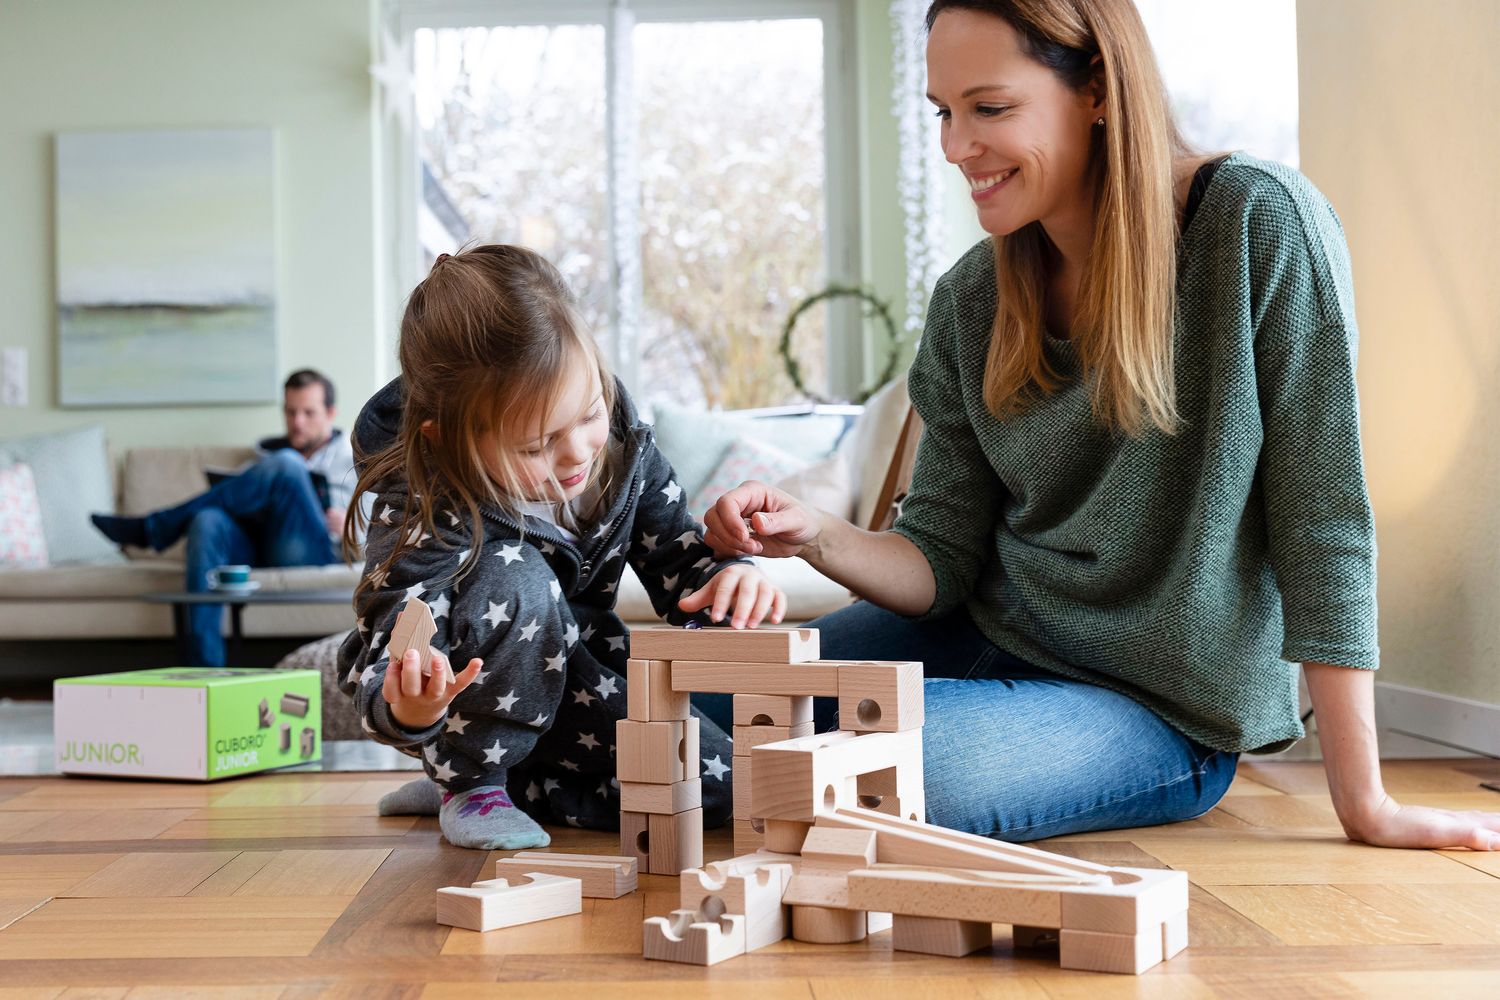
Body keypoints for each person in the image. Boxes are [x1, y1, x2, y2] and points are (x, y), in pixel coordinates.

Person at [703, 0, 1500, 852]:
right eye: (944, 112)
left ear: (1096, 89)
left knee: (873, 769)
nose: (954, 146)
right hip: (982, 629)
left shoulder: (1256, 223)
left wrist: (1365, 802)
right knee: (703, 699)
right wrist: (815, 534)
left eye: (990, 108)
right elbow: (938, 559)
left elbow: (1323, 521)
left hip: (1156, 707)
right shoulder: (973, 300)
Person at [336, 245, 786, 851]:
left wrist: (732, 574)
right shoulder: (425, 502)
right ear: (446, 439)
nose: (578, 452)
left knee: (721, 792)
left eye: (590, 412)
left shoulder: (625, 456)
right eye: (536, 445)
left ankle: (516, 786)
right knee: (513, 572)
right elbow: (392, 644)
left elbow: (682, 565)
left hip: (581, 682)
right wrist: (415, 712)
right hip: (472, 702)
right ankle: (471, 781)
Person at [91, 369, 355, 667]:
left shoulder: (355, 460)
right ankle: (205, 670)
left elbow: (382, 532)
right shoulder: (264, 461)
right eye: (290, 412)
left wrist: (350, 525)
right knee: (207, 519)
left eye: (308, 413)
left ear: (330, 413)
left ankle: (155, 527)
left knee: (287, 464)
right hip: (260, 546)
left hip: (310, 549)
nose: (297, 422)